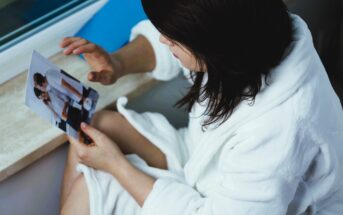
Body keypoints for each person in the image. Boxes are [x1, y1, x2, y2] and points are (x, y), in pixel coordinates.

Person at [60, 0, 343, 214]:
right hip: (202, 163)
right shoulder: (249, 35)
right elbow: (174, 47)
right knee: (91, 125)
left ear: (213, 43)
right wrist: (117, 64)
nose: (163, 39)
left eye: (173, 38)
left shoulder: (280, 125)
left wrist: (117, 166)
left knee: (95, 184)